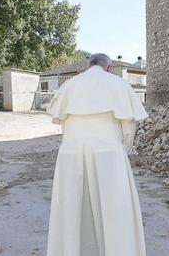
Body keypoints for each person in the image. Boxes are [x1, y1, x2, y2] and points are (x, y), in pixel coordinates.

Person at [46, 53, 148, 256]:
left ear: (88, 66)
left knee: (72, 208)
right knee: (115, 209)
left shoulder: (70, 85)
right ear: (108, 67)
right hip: (108, 152)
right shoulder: (118, 84)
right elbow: (128, 126)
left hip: (70, 152)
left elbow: (63, 123)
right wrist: (123, 149)